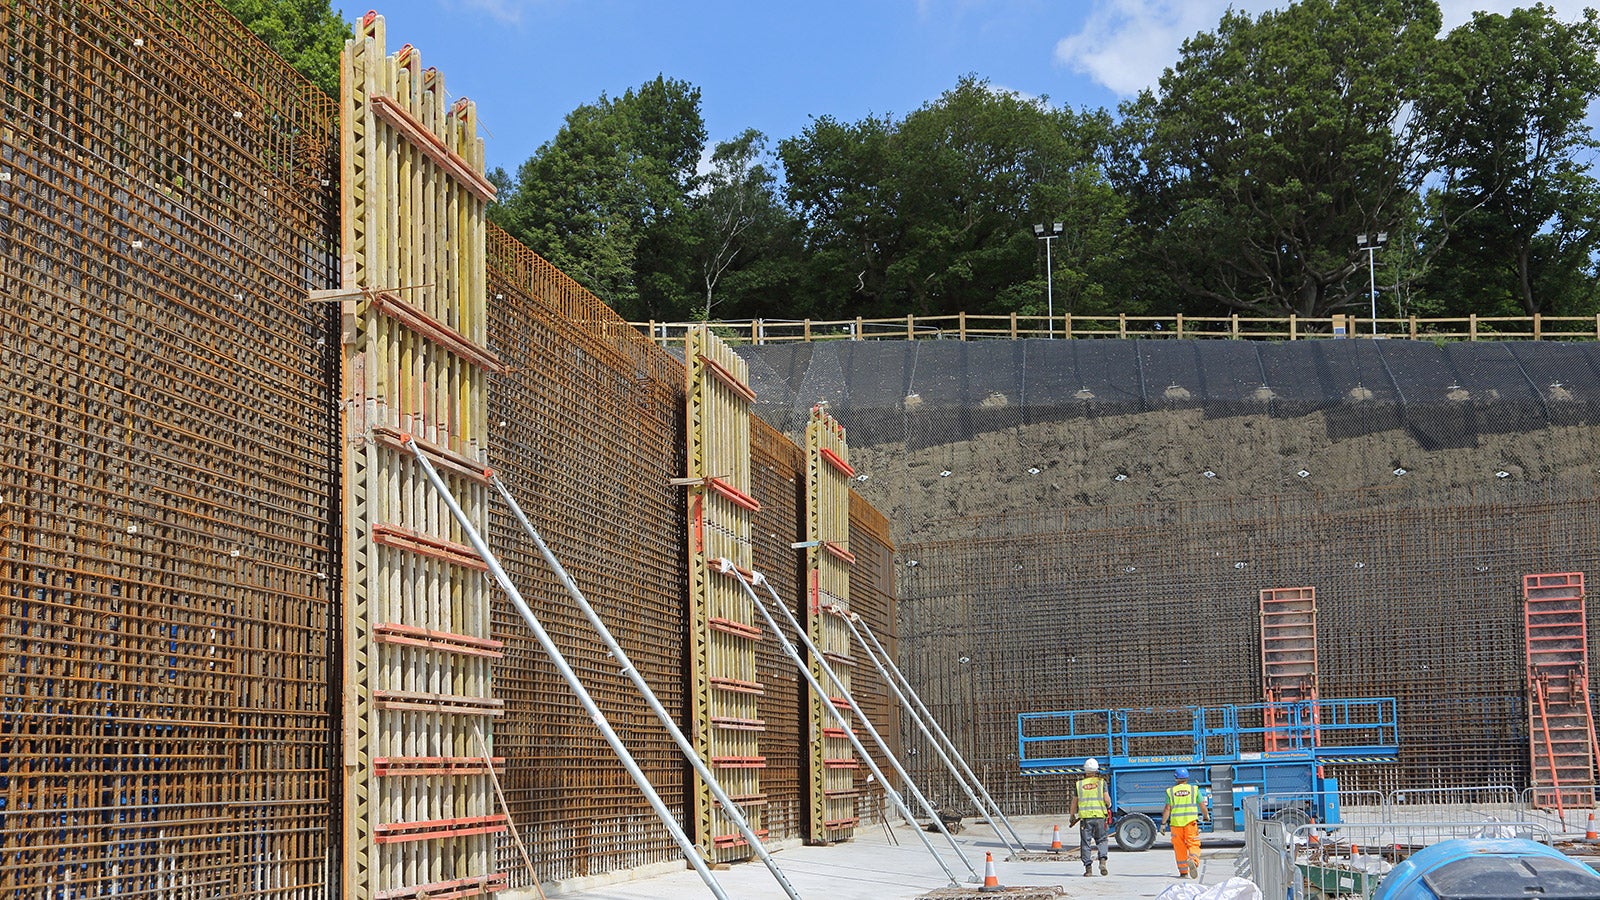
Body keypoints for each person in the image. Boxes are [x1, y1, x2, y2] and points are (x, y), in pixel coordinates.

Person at [1161, 767, 1209, 879]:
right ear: (1187, 778)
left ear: (1176, 778)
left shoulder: (1170, 791)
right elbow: (1202, 804)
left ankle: (1183, 872)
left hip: (1176, 825)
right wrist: (1206, 816)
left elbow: (1167, 809)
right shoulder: (1194, 790)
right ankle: (1193, 861)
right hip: (1190, 823)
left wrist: (1163, 824)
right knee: (1193, 844)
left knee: (1179, 847)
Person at [1069, 757, 1110, 876]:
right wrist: (1109, 805)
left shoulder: (1079, 784)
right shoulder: (1101, 783)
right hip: (1099, 817)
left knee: (1086, 843)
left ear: (1085, 770)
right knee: (1102, 840)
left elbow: (1074, 802)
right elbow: (1107, 799)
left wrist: (1072, 815)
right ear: (1096, 770)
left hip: (1086, 819)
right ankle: (1102, 861)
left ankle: (1088, 869)